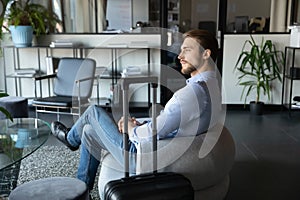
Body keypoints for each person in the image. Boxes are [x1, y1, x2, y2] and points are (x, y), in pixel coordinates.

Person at [51, 29, 222, 191]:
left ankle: (70, 139)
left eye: (187, 50)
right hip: (159, 145)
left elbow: (151, 134)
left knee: (93, 111)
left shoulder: (192, 93)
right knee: (88, 131)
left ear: (206, 54)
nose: (179, 56)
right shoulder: (211, 86)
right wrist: (141, 124)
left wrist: (130, 128)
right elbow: (172, 125)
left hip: (140, 155)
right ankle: (83, 189)